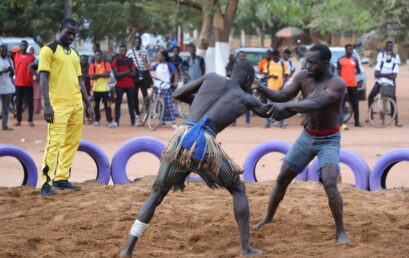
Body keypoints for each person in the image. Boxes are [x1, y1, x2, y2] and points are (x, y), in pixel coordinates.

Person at [120, 61, 269, 257]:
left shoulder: (211, 77)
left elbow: (177, 93)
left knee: (157, 194)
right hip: (203, 144)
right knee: (238, 189)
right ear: (249, 80)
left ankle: (128, 248)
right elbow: (273, 111)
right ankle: (245, 248)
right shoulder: (245, 97)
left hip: (180, 138)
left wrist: (199, 101)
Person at [253, 44, 350, 244]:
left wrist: (286, 106)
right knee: (282, 179)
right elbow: (282, 96)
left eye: (313, 63)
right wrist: (259, 86)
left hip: (329, 139)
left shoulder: (337, 84)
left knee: (330, 182)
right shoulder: (302, 77)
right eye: (306, 61)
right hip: (307, 136)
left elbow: (316, 104)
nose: (308, 65)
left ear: (325, 63)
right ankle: (268, 218)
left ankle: (340, 231)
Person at [38, 18, 94, 197]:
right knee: (54, 143)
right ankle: (46, 183)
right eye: (68, 32)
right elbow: (43, 78)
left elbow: (80, 81)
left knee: (72, 143)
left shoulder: (75, 54)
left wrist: (88, 104)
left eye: (74, 34)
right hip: (58, 106)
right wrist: (47, 105)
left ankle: (61, 178)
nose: (71, 36)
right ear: (60, 29)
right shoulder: (48, 50)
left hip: (76, 105)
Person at [140, 50, 179, 129]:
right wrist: (143, 59)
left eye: (159, 56)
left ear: (163, 57)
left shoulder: (169, 65)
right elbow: (148, 68)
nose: (158, 57)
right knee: (159, 105)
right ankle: (162, 121)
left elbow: (175, 74)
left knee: (168, 105)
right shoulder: (157, 65)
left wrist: (175, 82)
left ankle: (173, 122)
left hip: (166, 87)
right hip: (157, 87)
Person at [367, 41, 402, 127]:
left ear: (392, 47)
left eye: (391, 47)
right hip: (379, 82)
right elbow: (376, 74)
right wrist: (387, 75)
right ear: (385, 47)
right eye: (388, 46)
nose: (389, 48)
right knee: (370, 96)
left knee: (393, 99)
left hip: (390, 83)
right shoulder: (381, 57)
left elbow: (394, 76)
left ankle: (396, 119)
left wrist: (382, 74)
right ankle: (370, 115)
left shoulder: (395, 58)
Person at [89, 50, 116, 128]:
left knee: (107, 106)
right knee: (95, 106)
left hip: (105, 89)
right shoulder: (92, 66)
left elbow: (107, 75)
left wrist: (96, 75)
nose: (98, 57)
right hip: (95, 89)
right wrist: (102, 75)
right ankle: (97, 120)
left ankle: (110, 121)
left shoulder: (106, 64)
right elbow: (91, 77)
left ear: (102, 56)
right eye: (97, 55)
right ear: (95, 56)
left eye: (100, 55)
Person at [127, 36, 152, 119]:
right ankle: (137, 113)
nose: (137, 43)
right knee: (134, 95)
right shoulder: (130, 52)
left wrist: (143, 58)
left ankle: (148, 111)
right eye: (136, 42)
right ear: (134, 43)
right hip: (134, 75)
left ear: (141, 43)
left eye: (139, 42)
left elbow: (148, 63)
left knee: (145, 94)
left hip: (143, 74)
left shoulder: (145, 51)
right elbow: (127, 63)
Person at [112, 45, 137, 126]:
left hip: (130, 85)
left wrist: (122, 73)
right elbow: (116, 74)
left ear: (126, 51)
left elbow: (133, 73)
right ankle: (116, 121)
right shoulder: (116, 60)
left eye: (124, 50)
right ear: (119, 51)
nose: (123, 52)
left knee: (131, 104)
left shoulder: (130, 60)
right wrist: (127, 71)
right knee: (118, 103)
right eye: (121, 50)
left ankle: (133, 121)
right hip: (120, 85)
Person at [337, 44, 362, 127]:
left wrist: (357, 66)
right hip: (344, 85)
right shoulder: (340, 60)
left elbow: (358, 71)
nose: (350, 51)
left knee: (355, 103)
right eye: (349, 49)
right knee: (342, 104)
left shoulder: (354, 60)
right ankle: (341, 122)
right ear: (346, 50)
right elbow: (338, 73)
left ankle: (357, 122)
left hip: (353, 85)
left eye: (352, 49)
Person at [13, 40, 36, 127]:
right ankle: (18, 120)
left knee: (30, 102)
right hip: (18, 83)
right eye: (22, 45)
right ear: (20, 46)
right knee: (18, 102)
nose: (23, 46)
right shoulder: (16, 56)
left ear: (27, 47)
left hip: (29, 83)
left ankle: (30, 120)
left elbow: (35, 68)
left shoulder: (31, 57)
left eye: (25, 45)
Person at [264, 49, 288, 128]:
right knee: (269, 106)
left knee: (280, 106)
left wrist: (282, 85)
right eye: (272, 56)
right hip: (270, 89)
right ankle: (267, 123)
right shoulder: (268, 64)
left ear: (278, 56)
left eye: (275, 56)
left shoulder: (283, 64)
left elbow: (286, 76)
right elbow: (265, 76)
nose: (273, 57)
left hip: (280, 89)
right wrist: (271, 76)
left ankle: (281, 123)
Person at [0, 45, 15, 131]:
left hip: (7, 87)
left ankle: (4, 125)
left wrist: (11, 71)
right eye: (3, 51)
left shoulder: (9, 61)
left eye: (6, 51)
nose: (5, 53)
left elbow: (12, 74)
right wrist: (3, 71)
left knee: (6, 108)